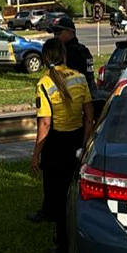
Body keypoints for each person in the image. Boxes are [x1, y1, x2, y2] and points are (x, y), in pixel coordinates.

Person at [27, 14, 98, 223]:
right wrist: (86, 141)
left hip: (58, 136)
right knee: (71, 178)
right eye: (54, 34)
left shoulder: (68, 62)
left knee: (54, 181)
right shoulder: (82, 58)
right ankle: (67, 215)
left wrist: (36, 153)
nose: (57, 36)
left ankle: (54, 215)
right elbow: (89, 114)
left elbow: (46, 122)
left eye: (60, 33)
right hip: (77, 132)